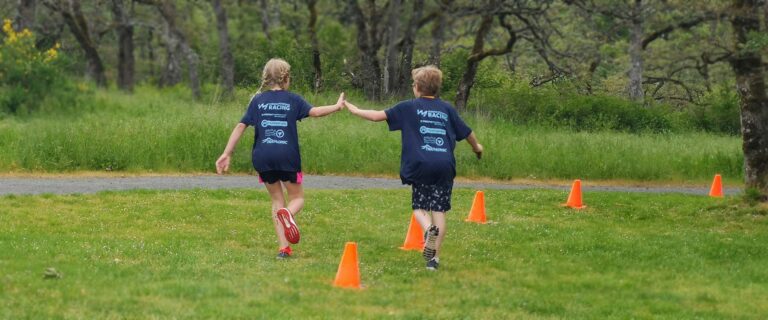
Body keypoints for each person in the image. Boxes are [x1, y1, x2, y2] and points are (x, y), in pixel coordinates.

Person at [344, 65, 483, 271]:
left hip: (420, 164)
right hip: (444, 165)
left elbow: (376, 116)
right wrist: (477, 147)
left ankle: (428, 231)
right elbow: (468, 133)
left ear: (417, 87)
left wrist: (354, 109)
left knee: (419, 207)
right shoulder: (447, 109)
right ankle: (433, 261)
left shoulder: (408, 107)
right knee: (439, 210)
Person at [215, 58, 345, 259]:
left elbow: (241, 126)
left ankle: (284, 249)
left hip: (263, 156)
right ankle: (289, 215)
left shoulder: (257, 101)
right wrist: (336, 106)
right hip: (286, 156)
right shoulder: (293, 99)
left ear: (266, 79)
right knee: (297, 198)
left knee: (277, 199)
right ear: (287, 78)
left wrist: (226, 153)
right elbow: (316, 112)